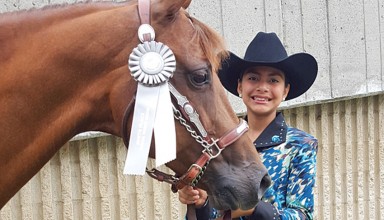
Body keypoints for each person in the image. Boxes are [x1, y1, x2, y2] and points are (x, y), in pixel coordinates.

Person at [178, 32, 319, 220]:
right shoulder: (220, 145)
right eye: (253, 78)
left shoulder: (301, 145)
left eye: (273, 80)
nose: (262, 87)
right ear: (239, 86)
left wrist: (253, 209)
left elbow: (302, 215)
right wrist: (202, 203)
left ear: (285, 90)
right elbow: (216, 214)